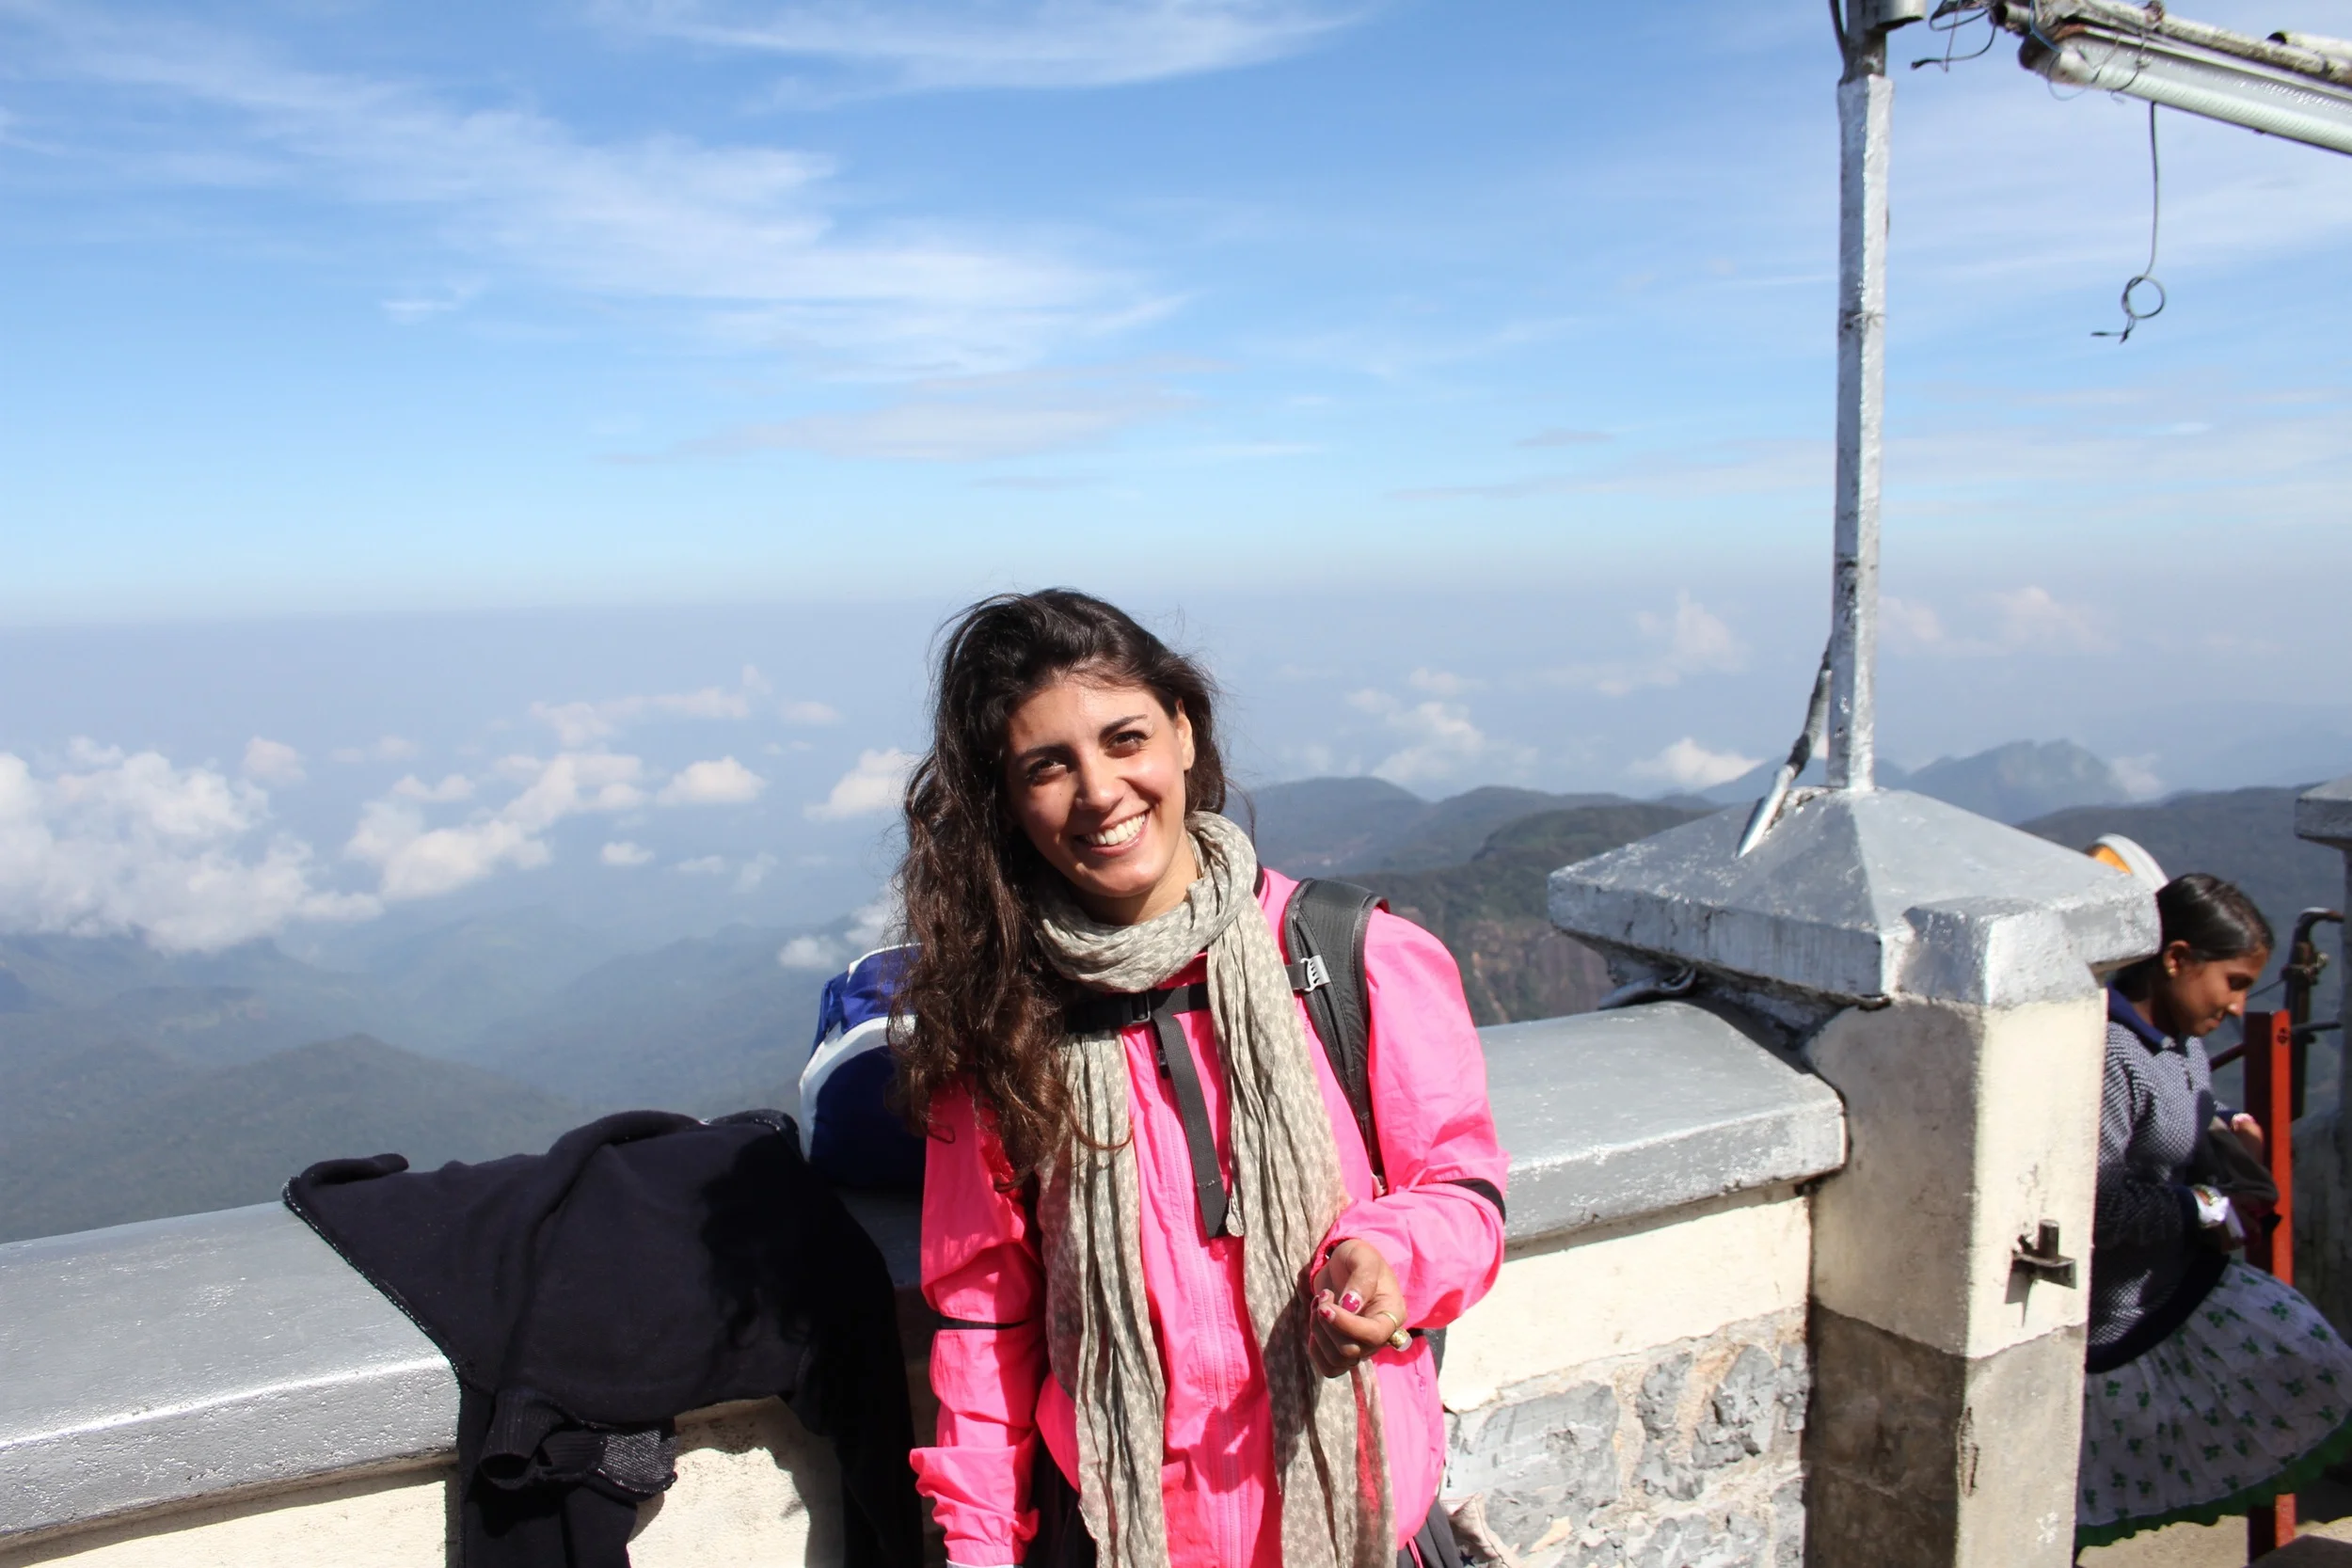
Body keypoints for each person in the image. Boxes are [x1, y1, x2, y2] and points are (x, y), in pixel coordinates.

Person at [893, 590, 1509, 1568]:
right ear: (1007, 801)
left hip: (1361, 1528)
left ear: (1182, 731)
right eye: (1047, 766)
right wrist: (979, 1551)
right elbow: (986, 1321)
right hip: (1122, 1537)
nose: (1100, 791)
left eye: (1124, 738)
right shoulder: (1004, 1025)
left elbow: (1463, 1194)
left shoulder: (1351, 957)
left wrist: (1389, 1254)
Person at [2077, 873, 2352, 1551]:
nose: (2236, 1006)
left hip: (2174, 1286)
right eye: (2232, 983)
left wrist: (2225, 1124)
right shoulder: (2113, 1055)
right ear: (2176, 958)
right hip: (2121, 1319)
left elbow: (2173, 1120)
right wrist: (2207, 1205)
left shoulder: (2179, 1043)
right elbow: (2097, 1204)